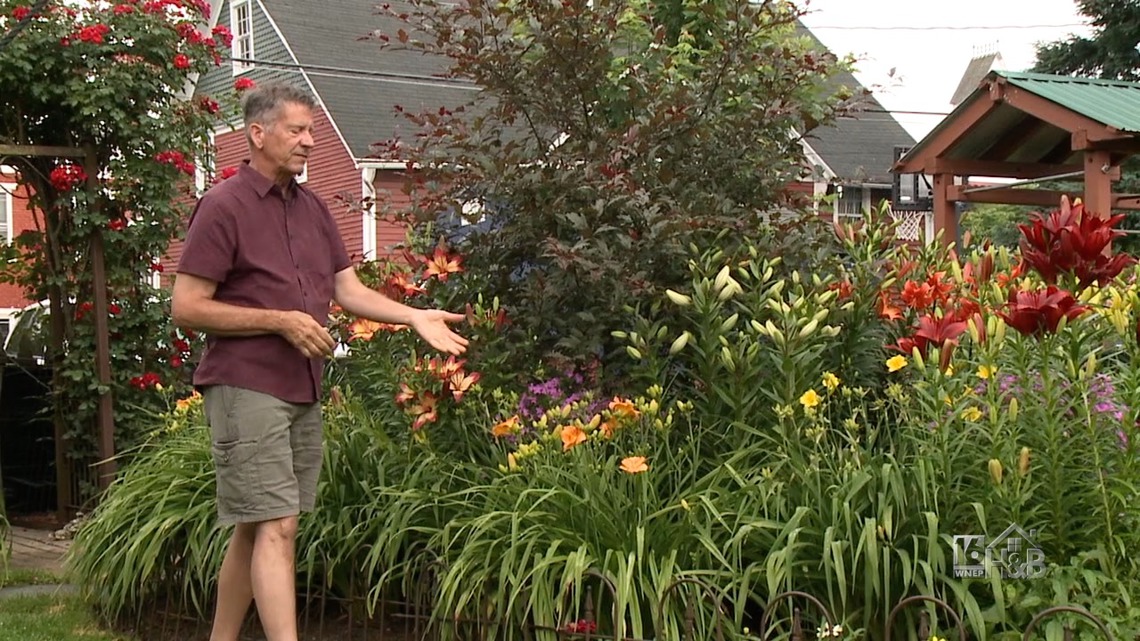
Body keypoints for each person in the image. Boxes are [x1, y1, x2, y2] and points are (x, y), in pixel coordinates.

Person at [171, 81, 468, 641]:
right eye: (297, 130)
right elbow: (187, 307)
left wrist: (413, 316)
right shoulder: (223, 206)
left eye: (312, 130)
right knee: (277, 526)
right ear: (258, 134)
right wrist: (279, 319)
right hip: (244, 384)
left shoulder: (313, 209)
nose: (310, 141)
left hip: (302, 385)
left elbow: (347, 291)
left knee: (257, 527)